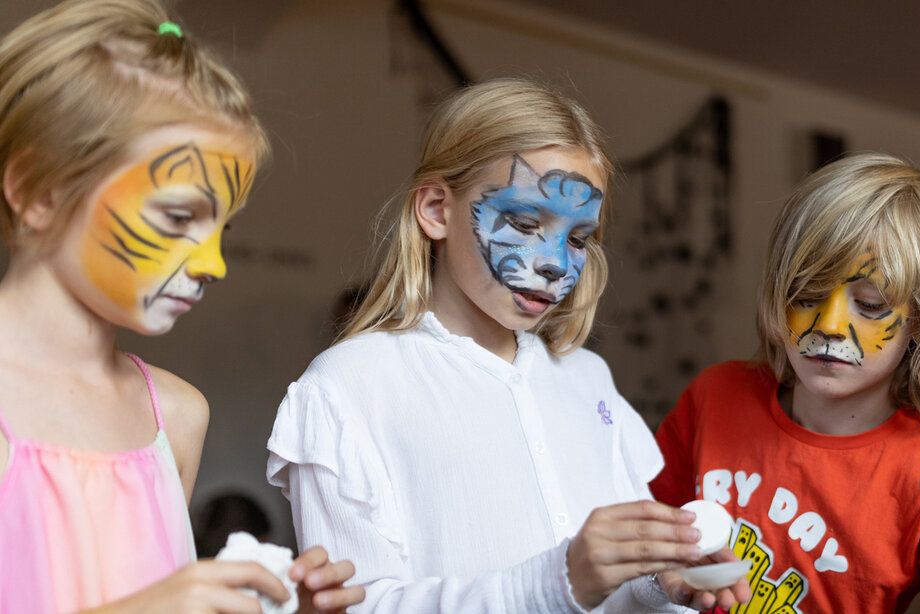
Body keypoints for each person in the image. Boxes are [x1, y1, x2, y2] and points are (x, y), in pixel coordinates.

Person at [266, 78, 751, 613]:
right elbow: (356, 606)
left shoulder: (587, 378)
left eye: (578, 238)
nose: (555, 263)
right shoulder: (350, 387)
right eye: (523, 222)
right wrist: (556, 582)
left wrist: (660, 580)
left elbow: (615, 583)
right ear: (436, 209)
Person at [0, 1, 363, 611]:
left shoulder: (176, 416)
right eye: (177, 217)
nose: (213, 263)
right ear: (39, 191)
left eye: (222, 228)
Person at [650, 153, 920, 612]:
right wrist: (661, 576)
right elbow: (643, 540)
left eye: (870, 305)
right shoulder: (715, 395)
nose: (829, 325)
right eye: (807, 294)